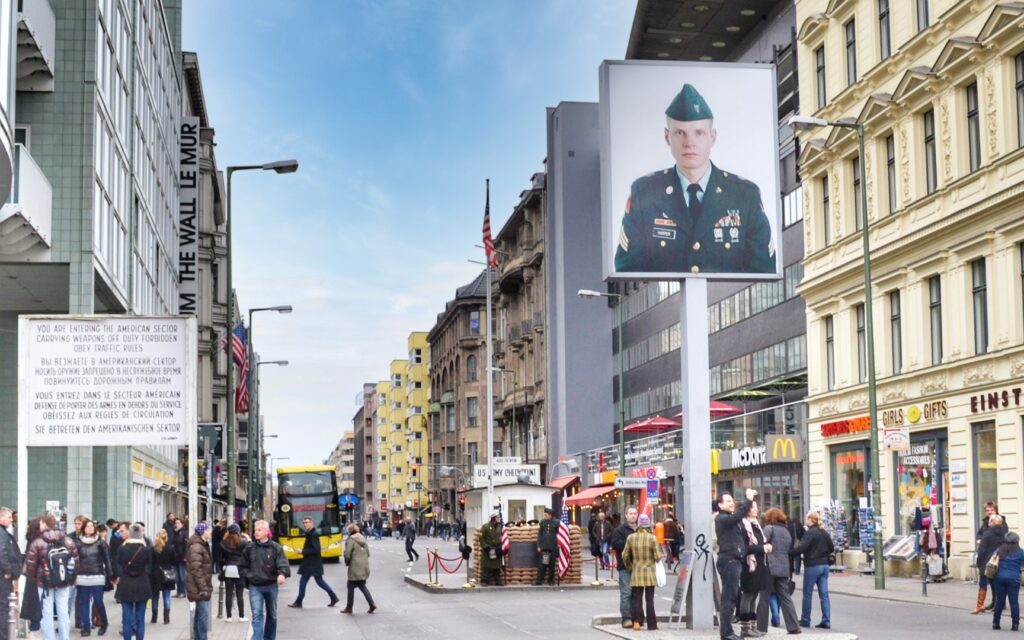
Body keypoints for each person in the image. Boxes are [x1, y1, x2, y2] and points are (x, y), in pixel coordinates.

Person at [613, 83, 775, 275]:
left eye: (699, 133)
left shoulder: (744, 195)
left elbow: (763, 270)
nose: (689, 143)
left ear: (712, 137)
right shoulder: (645, 193)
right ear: (667, 137)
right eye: (680, 133)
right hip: (670, 304)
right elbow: (628, 270)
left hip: (732, 305)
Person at [24, 514, 78, 640]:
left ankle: (48, 638)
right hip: (64, 581)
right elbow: (75, 561)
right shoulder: (67, 540)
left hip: (44, 583)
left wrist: (33, 579)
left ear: (44, 523)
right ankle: (64, 638)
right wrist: (72, 578)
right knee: (63, 612)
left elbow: (30, 564)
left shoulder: (37, 542)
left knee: (46, 613)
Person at [716, 488, 756, 640]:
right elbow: (738, 516)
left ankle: (727, 632)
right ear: (720, 505)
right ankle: (726, 633)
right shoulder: (722, 518)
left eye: (732, 501)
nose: (732, 503)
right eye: (728, 501)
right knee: (729, 598)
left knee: (732, 596)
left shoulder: (731, 519)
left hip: (735, 560)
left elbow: (741, 541)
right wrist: (748, 500)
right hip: (729, 561)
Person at [240, 520, 290, 640]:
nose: (256, 532)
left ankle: (269, 637)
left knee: (272, 615)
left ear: (267, 532)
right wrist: (249, 575)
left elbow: (283, 563)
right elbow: (242, 566)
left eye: (259, 530)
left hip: (271, 585)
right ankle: (258, 638)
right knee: (257, 614)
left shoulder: (276, 547)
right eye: (255, 530)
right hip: (255, 586)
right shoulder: (249, 547)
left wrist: (282, 574)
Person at [759, 508, 800, 635]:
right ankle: (794, 626)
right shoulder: (786, 532)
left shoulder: (769, 529)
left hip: (770, 567)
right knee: (785, 597)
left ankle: (761, 627)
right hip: (784, 568)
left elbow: (762, 544)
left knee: (764, 597)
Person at [791, 511, 833, 630]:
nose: (805, 520)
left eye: (807, 518)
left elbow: (801, 548)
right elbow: (831, 547)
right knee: (824, 594)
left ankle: (805, 619)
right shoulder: (824, 532)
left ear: (810, 520)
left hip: (812, 565)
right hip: (824, 565)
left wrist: (790, 552)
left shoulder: (810, 533)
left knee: (807, 593)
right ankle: (826, 620)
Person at [621, 513, 663, 631]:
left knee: (637, 598)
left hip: (636, 572)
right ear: (648, 524)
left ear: (639, 524)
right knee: (650, 600)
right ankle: (652, 624)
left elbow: (624, 555)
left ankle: (637, 622)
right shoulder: (652, 538)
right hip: (649, 573)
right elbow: (658, 557)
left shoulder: (631, 538)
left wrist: (630, 566)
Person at [112, 524, 152, 640]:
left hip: (126, 584)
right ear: (141, 535)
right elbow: (149, 568)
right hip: (142, 584)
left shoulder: (122, 548)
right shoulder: (146, 549)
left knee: (126, 619)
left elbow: (118, 564)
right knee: (140, 620)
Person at [289, 516, 339, 608]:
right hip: (311, 562)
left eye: (307, 522)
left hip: (311, 563)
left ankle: (299, 602)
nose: (305, 524)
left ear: (312, 523)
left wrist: (302, 551)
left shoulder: (313, 534)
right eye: (304, 522)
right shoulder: (309, 533)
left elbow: (316, 549)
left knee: (306, 582)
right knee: (318, 581)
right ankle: (333, 597)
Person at [74, 519, 110, 637]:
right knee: (84, 602)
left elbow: (107, 560)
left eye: (91, 526)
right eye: (87, 526)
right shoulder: (78, 542)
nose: (90, 528)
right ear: (83, 528)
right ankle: (86, 627)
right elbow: (74, 560)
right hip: (82, 576)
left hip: (97, 575)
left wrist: (110, 575)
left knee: (98, 601)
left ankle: (104, 623)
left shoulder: (101, 543)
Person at [610, 506, 638, 629]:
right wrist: (630, 542)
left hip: (639, 566)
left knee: (636, 593)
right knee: (626, 593)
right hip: (624, 566)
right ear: (626, 515)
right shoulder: (619, 530)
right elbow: (615, 544)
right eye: (630, 513)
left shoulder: (640, 529)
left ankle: (636, 617)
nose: (633, 515)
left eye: (635, 513)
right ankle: (626, 618)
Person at [976, 513, 1009, 614]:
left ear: (992, 522)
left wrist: (979, 563)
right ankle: (997, 604)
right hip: (999, 561)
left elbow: (982, 550)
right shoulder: (1004, 534)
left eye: (990, 520)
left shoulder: (987, 534)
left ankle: (980, 605)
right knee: (997, 584)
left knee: (984, 583)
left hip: (987, 562)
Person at [340, 524, 376, 614]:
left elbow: (347, 554)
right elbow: (368, 553)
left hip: (355, 566)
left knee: (351, 586)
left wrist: (347, 562)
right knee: (361, 585)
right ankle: (371, 604)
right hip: (364, 565)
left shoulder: (351, 540)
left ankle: (349, 607)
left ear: (350, 531)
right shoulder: (363, 538)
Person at [186, 523, 213, 640]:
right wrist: (203, 588)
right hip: (199, 587)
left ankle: (199, 637)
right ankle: (201, 638)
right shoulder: (197, 546)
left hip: (199, 585)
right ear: (203, 532)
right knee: (203, 615)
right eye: (208, 530)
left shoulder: (202, 545)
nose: (210, 532)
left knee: (199, 614)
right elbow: (196, 569)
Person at [992, 531, 1024, 630]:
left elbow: (993, 561)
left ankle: (995, 623)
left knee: (1000, 601)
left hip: (999, 578)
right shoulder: (1020, 552)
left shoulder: (999, 550)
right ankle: (1015, 624)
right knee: (1014, 602)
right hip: (1014, 578)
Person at [0, 507, 22, 640]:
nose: (11, 519)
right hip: (3, 577)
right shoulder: (2, 534)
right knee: (3, 608)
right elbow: (2, 553)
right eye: (8, 517)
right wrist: (8, 571)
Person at [220, 524, 248, 622]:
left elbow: (221, 559)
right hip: (239, 569)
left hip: (228, 568)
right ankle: (241, 616)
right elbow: (248, 553)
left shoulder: (223, 543)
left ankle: (229, 617)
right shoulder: (243, 542)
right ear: (238, 532)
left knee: (228, 594)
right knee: (239, 594)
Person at [20, 518, 42, 636]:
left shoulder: (30, 538)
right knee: (36, 597)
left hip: (30, 572)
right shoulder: (38, 539)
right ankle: (36, 622)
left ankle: (33, 621)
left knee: (31, 597)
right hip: (36, 572)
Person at [149, 529, 175, 625]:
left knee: (155, 596)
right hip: (167, 573)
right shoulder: (170, 548)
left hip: (155, 574)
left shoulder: (153, 549)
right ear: (166, 537)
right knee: (166, 596)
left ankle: (154, 617)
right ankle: (166, 617)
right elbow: (173, 561)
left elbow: (150, 563)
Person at [533, 508, 559, 586]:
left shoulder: (556, 522)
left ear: (550, 515)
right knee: (542, 565)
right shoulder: (542, 522)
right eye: (544, 515)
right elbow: (539, 535)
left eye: (546, 515)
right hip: (544, 547)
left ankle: (551, 581)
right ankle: (539, 581)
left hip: (553, 547)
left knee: (552, 565)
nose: (545, 516)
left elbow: (560, 534)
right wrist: (538, 545)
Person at [478, 512, 504, 586]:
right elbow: (481, 538)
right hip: (489, 548)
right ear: (494, 518)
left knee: (497, 566)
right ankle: (484, 581)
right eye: (498, 517)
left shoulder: (500, 526)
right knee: (486, 565)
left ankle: (498, 581)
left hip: (497, 548)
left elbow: (501, 537)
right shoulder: (485, 526)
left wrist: (501, 547)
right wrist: (486, 546)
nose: (499, 518)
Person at [171, 518, 187, 597]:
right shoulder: (174, 532)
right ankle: (178, 591)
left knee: (182, 576)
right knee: (176, 577)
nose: (176, 524)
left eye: (178, 523)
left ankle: (183, 592)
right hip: (174, 557)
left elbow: (186, 545)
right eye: (175, 523)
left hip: (182, 557)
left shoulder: (184, 533)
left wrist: (185, 556)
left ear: (182, 524)